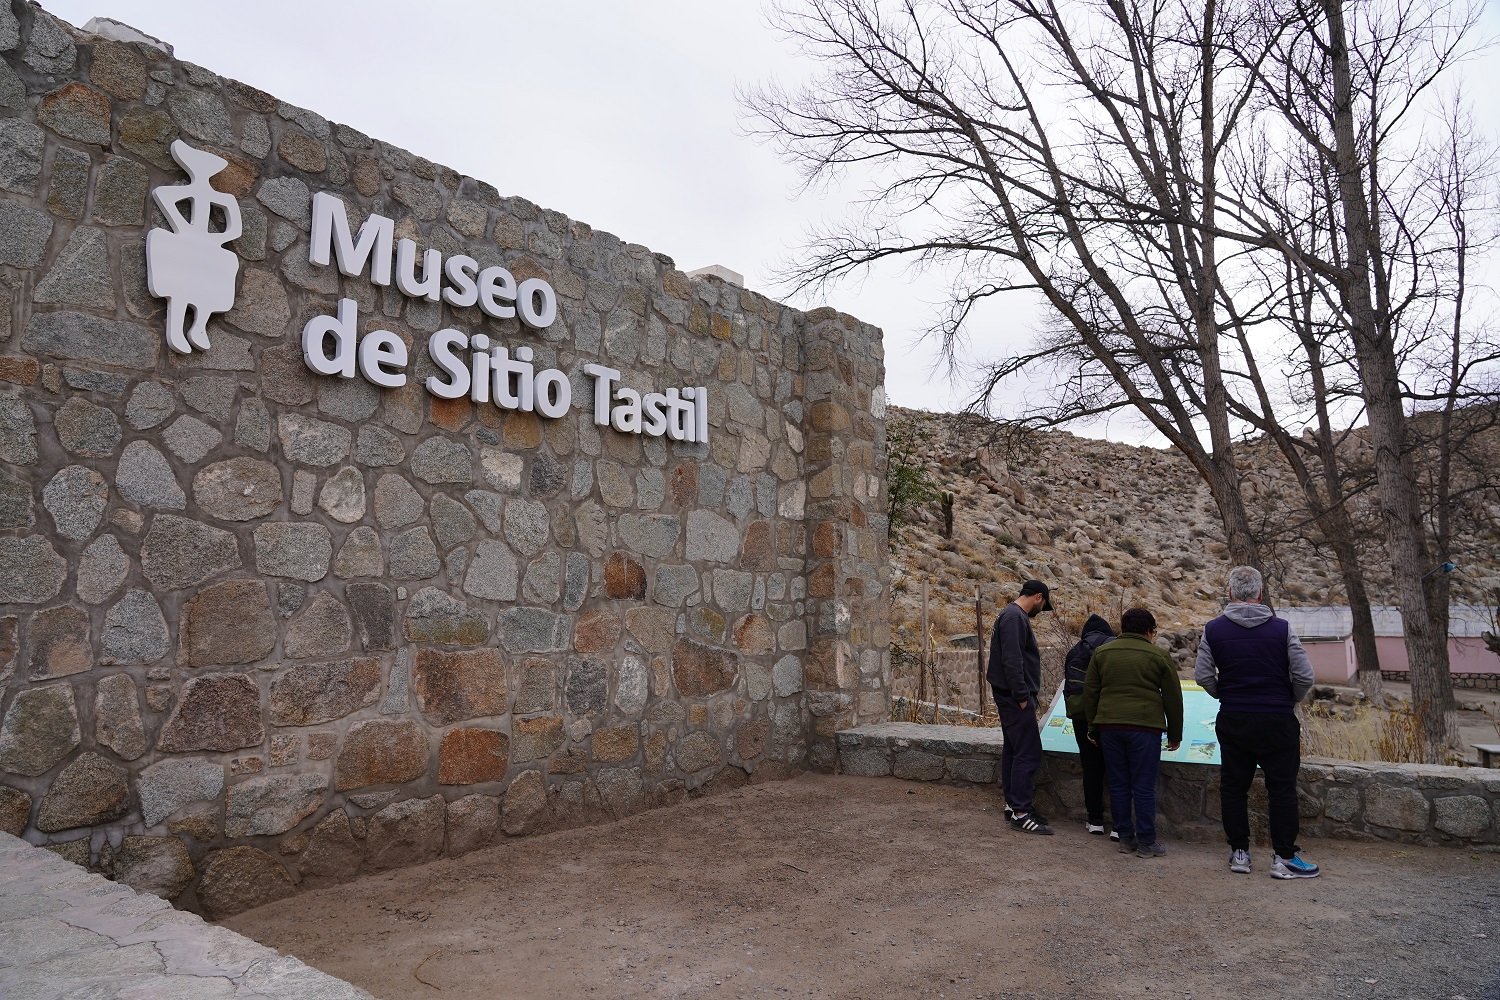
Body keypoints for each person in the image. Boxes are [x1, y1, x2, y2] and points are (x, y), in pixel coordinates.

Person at [1195, 566, 1320, 879]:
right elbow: (1305, 675)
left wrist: (1225, 694)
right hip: (1277, 719)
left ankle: (1240, 853)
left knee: (1234, 787)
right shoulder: (1282, 628)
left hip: (1234, 717)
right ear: (1260, 594)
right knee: (1282, 789)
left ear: (1230, 593)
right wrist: (1288, 699)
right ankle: (1284, 858)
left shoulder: (1213, 630)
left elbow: (1202, 675)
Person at [1082, 608, 1183, 857]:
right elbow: (1173, 698)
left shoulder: (1102, 653)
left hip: (1109, 727)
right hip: (1145, 728)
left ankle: (1125, 838)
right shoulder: (1159, 656)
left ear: (1123, 627)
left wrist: (1092, 726)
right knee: (1144, 786)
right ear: (1150, 631)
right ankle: (1147, 842)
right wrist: (1175, 734)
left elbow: (1091, 693)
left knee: (1118, 783)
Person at [987, 579, 1054, 835]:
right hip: (1015, 698)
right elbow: (1012, 660)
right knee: (1028, 752)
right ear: (1038, 597)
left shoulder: (1010, 615)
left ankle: (1013, 804)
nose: (1041, 610)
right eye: (1044, 604)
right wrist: (1022, 695)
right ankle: (1022, 813)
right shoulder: (1015, 617)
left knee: (1014, 750)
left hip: (1011, 696)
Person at [1063, 613, 1117, 837]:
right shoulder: (1114, 649)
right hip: (1110, 716)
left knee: (1091, 768)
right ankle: (1119, 824)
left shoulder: (1075, 651)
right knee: (1117, 769)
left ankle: (1094, 820)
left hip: (1082, 717)